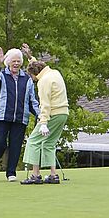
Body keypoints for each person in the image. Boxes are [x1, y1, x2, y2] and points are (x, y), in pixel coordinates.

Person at [0, 46, 40, 182]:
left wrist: (39, 115)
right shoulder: (2, 75)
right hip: (2, 116)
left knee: (16, 145)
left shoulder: (27, 79)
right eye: (13, 61)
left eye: (18, 61)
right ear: (8, 62)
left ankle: (11, 173)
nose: (16, 63)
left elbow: (32, 100)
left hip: (20, 118)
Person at [19, 44, 68, 185]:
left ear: (35, 74)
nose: (33, 80)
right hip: (63, 113)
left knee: (33, 141)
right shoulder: (54, 73)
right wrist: (30, 57)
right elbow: (37, 66)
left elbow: (45, 104)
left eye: (32, 77)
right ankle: (53, 175)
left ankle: (35, 175)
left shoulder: (43, 81)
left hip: (52, 114)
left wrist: (43, 122)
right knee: (49, 143)